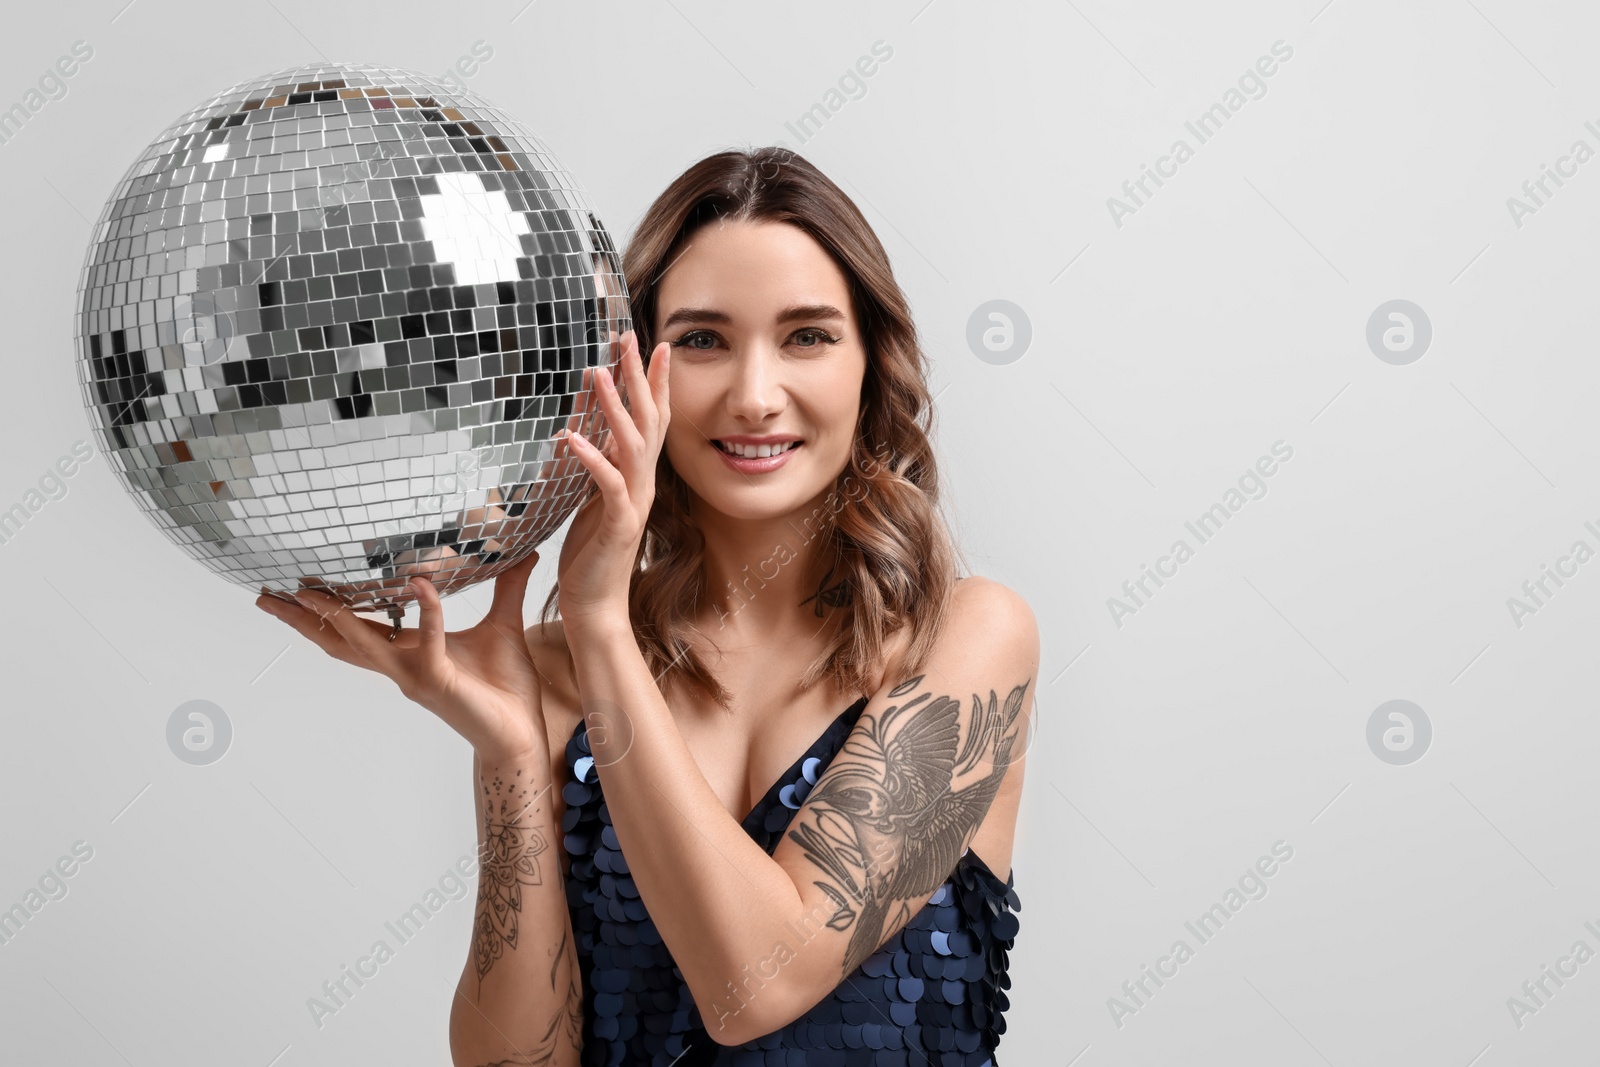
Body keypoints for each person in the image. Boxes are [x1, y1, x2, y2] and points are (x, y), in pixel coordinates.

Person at [258, 146, 1039, 1066]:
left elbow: (759, 985)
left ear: (873, 364)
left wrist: (598, 628)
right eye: (703, 339)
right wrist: (511, 751)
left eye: (808, 336)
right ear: (628, 375)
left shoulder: (968, 639)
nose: (754, 396)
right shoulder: (556, 672)